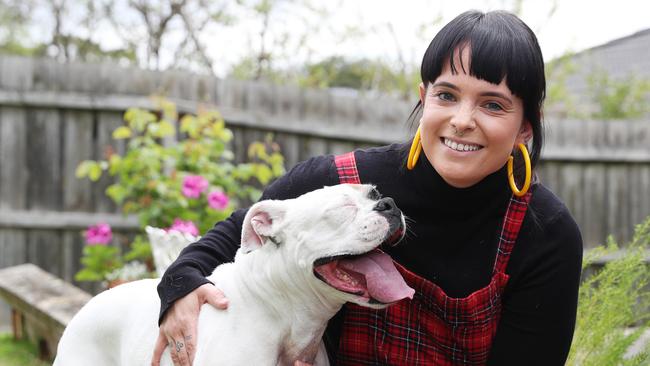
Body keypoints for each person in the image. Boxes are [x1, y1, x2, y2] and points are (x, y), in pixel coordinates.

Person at [151, 10, 583, 366]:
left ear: (525, 125)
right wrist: (179, 287)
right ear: (424, 96)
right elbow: (236, 234)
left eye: (492, 104)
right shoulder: (340, 183)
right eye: (447, 95)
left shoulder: (545, 235)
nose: (463, 120)